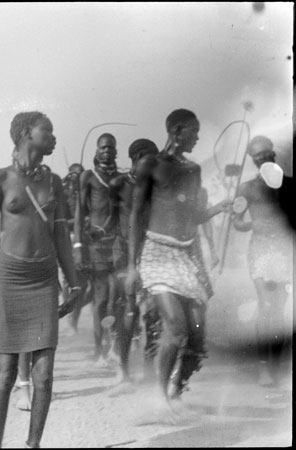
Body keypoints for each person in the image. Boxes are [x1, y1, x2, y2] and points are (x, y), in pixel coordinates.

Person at [0, 111, 81, 449]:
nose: (53, 137)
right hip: (9, 279)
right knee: (4, 374)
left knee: (44, 375)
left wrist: (74, 283)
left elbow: (61, 235)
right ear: (24, 134)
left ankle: (32, 446)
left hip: (44, 279)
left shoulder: (55, 182)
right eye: (47, 131)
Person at [126, 109, 231, 422]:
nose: (197, 137)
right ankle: (158, 399)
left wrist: (219, 208)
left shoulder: (193, 169)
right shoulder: (150, 165)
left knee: (197, 337)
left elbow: (194, 216)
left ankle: (176, 391)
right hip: (157, 253)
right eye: (194, 131)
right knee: (176, 327)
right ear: (177, 129)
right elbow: (136, 216)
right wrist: (132, 266)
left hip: (187, 257)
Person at [233, 135, 293, 386]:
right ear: (252, 159)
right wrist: (249, 223)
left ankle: (276, 364)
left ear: (273, 154)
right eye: (257, 155)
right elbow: (236, 221)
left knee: (278, 311)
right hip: (260, 251)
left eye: (265, 153)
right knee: (267, 305)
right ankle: (263, 367)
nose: (262, 158)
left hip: (284, 251)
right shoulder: (245, 188)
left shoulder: (290, 185)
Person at [106, 138, 159, 386]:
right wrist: (98, 232)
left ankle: (150, 371)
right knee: (128, 310)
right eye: (150, 157)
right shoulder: (118, 184)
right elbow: (110, 221)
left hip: (151, 251)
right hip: (124, 254)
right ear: (137, 157)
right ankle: (123, 370)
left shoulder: (157, 185)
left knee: (153, 312)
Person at [74, 133, 121, 366]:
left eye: (111, 148)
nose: (107, 151)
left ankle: (114, 346)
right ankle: (98, 349)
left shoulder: (122, 177)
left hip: (117, 244)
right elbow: (79, 211)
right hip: (95, 244)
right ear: (96, 150)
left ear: (116, 151)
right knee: (101, 300)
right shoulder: (88, 177)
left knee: (116, 299)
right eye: (103, 148)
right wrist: (78, 245)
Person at [61, 163, 93, 334]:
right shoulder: (65, 195)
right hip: (71, 239)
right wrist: (80, 221)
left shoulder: (87, 194)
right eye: (75, 175)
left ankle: (73, 313)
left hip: (88, 240)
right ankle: (70, 316)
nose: (78, 178)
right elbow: (62, 222)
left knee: (88, 285)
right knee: (73, 281)